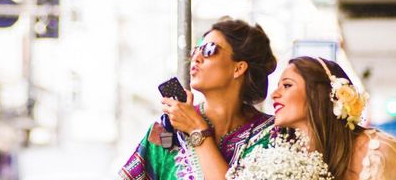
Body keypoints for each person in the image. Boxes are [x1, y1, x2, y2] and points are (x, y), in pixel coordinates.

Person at [117, 17, 277, 180]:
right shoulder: (168, 129)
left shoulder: (272, 135)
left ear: (238, 68)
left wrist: (197, 130)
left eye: (209, 50)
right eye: (195, 51)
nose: (196, 58)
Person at [270, 56, 396, 180]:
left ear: (318, 93)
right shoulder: (287, 161)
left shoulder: (376, 151)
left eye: (287, 85)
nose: (275, 95)